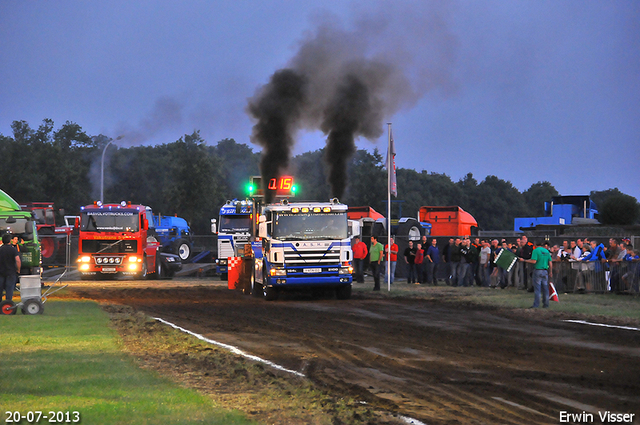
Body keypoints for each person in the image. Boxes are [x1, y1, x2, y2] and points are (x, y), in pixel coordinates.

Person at [519, 240, 552, 308]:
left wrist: (524, 260)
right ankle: (546, 304)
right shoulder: (546, 251)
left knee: (537, 288)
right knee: (545, 288)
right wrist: (550, 271)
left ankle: (536, 304)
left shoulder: (535, 251)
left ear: (535, 245)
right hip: (545, 271)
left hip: (538, 270)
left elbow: (534, 261)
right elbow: (550, 262)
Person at [0, 233, 21, 302]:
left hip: (1, 272)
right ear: (10, 241)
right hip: (11, 272)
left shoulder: (0, 249)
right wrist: (18, 270)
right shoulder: (13, 250)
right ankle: (8, 304)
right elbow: (18, 260)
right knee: (9, 289)